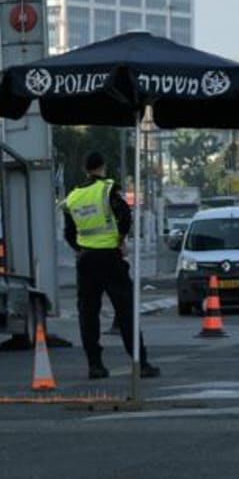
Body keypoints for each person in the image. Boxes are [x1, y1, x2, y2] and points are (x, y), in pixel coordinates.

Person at [63, 152, 159, 380]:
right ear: (102, 166)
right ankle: (140, 362)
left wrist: (81, 249)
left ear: (85, 168)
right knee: (125, 310)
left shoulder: (73, 197)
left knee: (88, 314)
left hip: (86, 261)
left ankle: (94, 365)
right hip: (110, 258)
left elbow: (68, 233)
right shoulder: (107, 189)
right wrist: (120, 239)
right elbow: (125, 215)